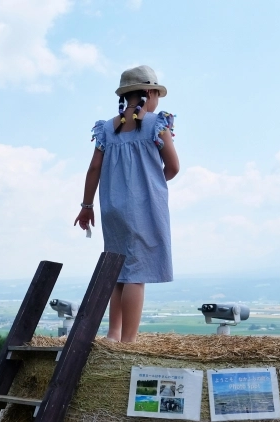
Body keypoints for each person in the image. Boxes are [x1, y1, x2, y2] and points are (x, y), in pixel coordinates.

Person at [75, 65, 180, 343]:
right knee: (137, 272)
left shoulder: (107, 129)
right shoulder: (157, 124)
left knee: (118, 269)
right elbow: (173, 167)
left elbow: (94, 169)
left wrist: (87, 206)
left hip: (112, 208)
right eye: (156, 95)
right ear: (148, 92)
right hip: (143, 208)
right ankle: (129, 341)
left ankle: (113, 334)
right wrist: (152, 184)